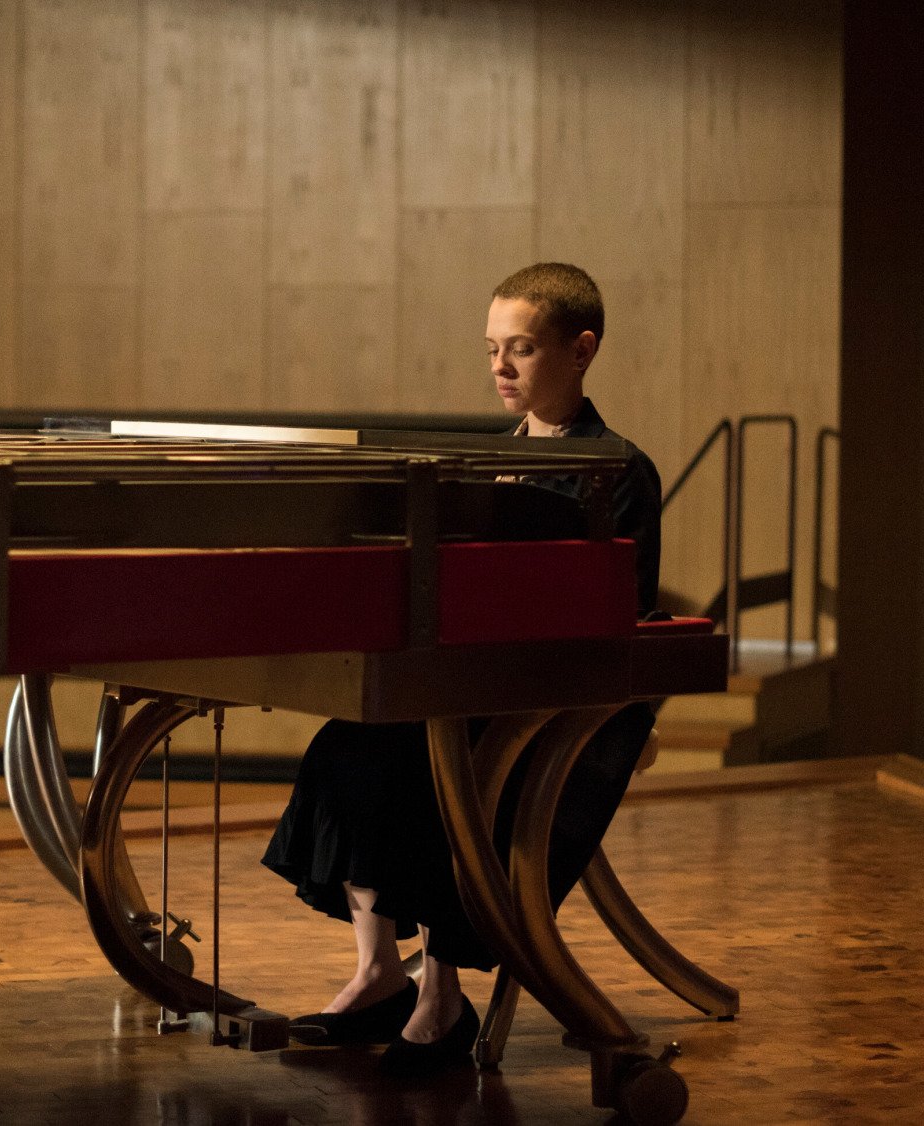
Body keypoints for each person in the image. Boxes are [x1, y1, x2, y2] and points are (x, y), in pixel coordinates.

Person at [260, 262, 663, 1075]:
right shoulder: (478, 460)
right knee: (351, 751)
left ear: (582, 351)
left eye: (521, 348)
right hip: (465, 686)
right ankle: (380, 976)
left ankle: (441, 1002)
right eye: (491, 349)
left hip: (546, 706)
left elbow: (611, 617)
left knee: (445, 778)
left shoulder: (618, 468)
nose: (500, 369)